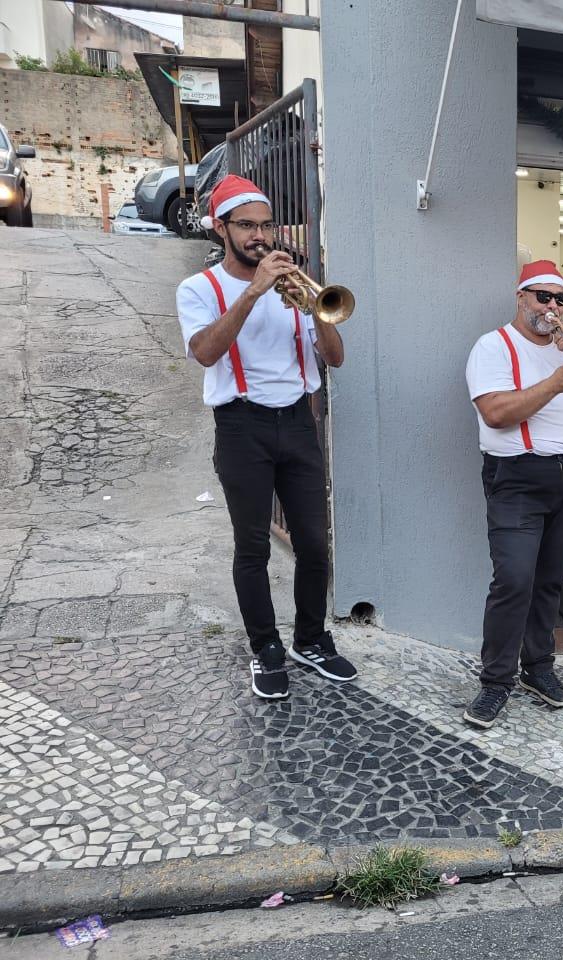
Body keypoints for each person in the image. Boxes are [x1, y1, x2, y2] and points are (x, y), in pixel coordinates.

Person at [176, 174, 352, 701]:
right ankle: (266, 647)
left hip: (298, 422)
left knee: (315, 544)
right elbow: (206, 352)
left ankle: (311, 639)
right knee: (252, 545)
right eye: (246, 226)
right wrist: (253, 293)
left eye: (266, 224)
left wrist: (316, 314)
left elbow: (336, 358)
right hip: (241, 426)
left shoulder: (295, 282)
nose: (260, 235)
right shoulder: (198, 289)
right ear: (221, 229)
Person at [463, 259, 563, 728]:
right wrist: (553, 383)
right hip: (518, 476)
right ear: (521, 297)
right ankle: (494, 682)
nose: (552, 307)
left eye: (559, 299)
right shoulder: (492, 347)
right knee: (513, 580)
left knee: (552, 578)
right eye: (543, 297)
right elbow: (496, 413)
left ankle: (539, 667)